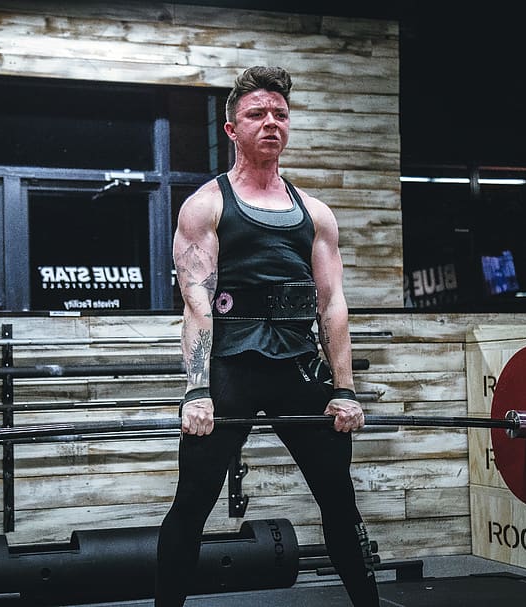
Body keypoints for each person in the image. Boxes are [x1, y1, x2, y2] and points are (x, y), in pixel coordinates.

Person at [155, 66, 380, 606]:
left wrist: (345, 390)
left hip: (299, 371)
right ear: (232, 129)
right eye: (257, 114)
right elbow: (196, 303)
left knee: (340, 503)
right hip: (231, 372)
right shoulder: (206, 206)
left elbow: (332, 304)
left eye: (280, 114)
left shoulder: (315, 214)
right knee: (191, 505)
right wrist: (196, 391)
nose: (271, 123)